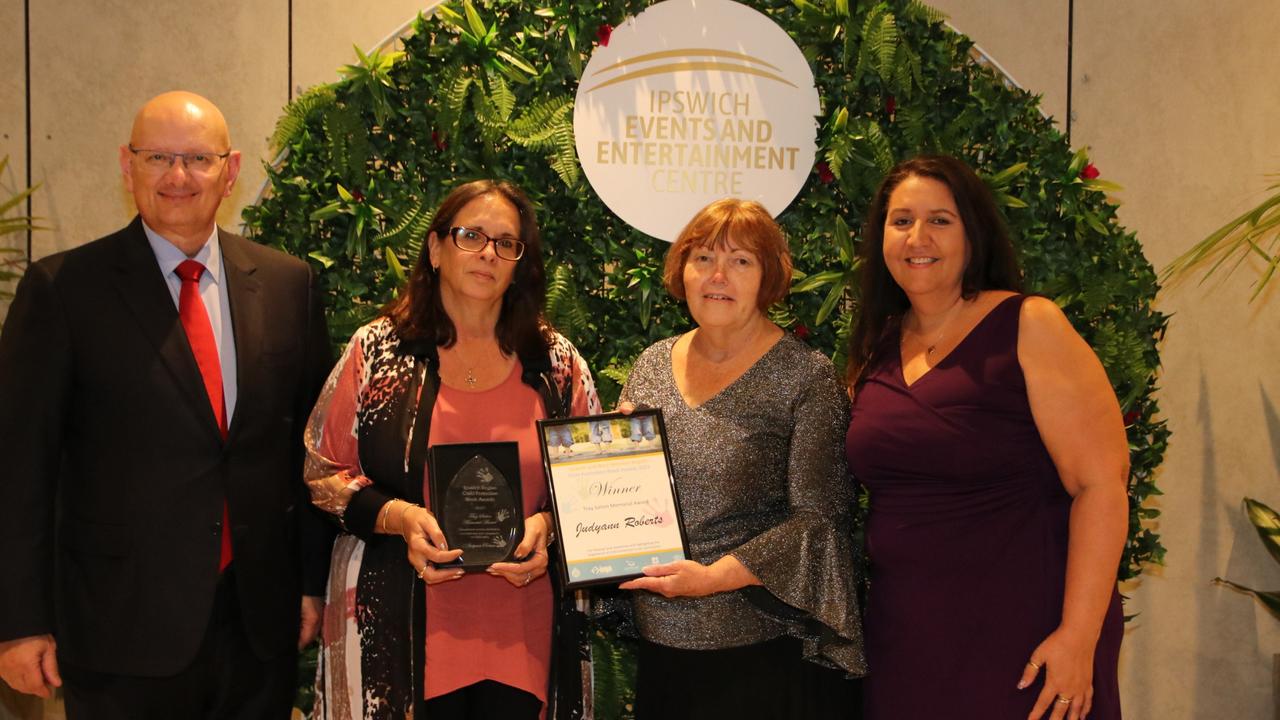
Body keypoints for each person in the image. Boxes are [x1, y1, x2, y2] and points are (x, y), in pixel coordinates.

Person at [0, 91, 333, 718]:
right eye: (158, 157)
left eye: (198, 160)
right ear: (127, 167)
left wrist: (311, 584)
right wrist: (19, 623)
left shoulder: (291, 284)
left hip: (258, 628)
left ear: (230, 171)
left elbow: (310, 453)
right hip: (118, 627)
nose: (178, 177)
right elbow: (20, 469)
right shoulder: (63, 291)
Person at [302, 179, 601, 720]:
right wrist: (399, 517)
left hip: (527, 625)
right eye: (470, 235)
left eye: (506, 242)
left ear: (519, 264)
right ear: (436, 249)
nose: (488, 252)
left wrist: (549, 528)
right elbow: (324, 472)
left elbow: (591, 484)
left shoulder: (555, 363)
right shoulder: (376, 352)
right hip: (398, 619)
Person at [844, 154, 1128, 720]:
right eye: (900, 221)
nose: (917, 237)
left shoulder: (1030, 324)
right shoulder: (879, 344)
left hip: (1025, 634)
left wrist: (1078, 636)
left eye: (940, 220)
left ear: (973, 232)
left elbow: (1102, 486)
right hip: (907, 638)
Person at [616, 198, 865, 719]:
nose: (718, 275)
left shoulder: (806, 377)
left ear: (768, 278)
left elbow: (820, 520)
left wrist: (711, 578)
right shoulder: (652, 364)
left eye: (741, 261)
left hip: (758, 654)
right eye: (703, 258)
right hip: (661, 643)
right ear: (681, 270)